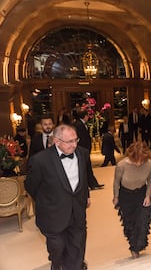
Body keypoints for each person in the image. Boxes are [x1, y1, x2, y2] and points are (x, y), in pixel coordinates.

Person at [24, 124, 91, 269]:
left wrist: (86, 195)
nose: (74, 145)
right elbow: (30, 186)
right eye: (69, 141)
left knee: (77, 246)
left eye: (76, 140)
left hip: (77, 210)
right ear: (57, 141)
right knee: (58, 247)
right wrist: (47, 201)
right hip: (52, 214)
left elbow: (84, 178)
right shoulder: (40, 160)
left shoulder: (83, 153)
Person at [113, 141, 151, 259]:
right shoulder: (121, 165)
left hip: (141, 194)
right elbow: (116, 182)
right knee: (130, 224)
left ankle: (137, 247)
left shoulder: (149, 163)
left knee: (143, 221)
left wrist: (148, 195)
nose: (139, 163)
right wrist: (115, 196)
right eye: (137, 160)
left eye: (142, 160)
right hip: (126, 196)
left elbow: (150, 179)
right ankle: (134, 248)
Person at [73, 110, 104, 190]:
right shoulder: (78, 124)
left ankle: (93, 184)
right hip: (82, 150)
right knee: (85, 168)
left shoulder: (80, 124)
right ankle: (91, 184)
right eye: (87, 115)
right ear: (85, 116)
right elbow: (81, 138)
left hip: (84, 150)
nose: (88, 117)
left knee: (87, 168)